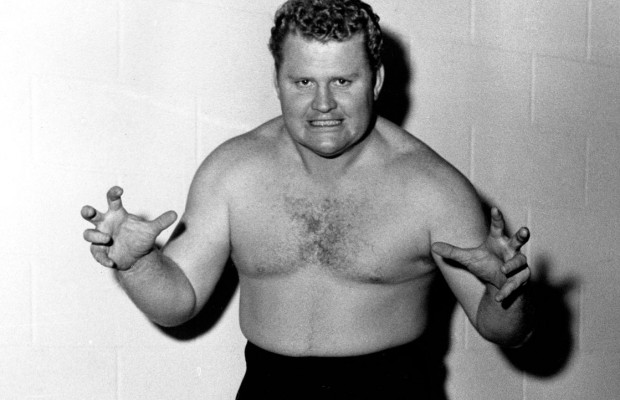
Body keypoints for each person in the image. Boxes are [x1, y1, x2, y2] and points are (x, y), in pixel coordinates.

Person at [82, 0, 533, 398]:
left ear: (375, 80)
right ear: (277, 81)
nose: (323, 103)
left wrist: (505, 294)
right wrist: (138, 266)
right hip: (268, 389)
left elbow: (503, 331)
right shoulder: (233, 173)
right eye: (303, 82)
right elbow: (178, 303)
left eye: (342, 81)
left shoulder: (433, 189)